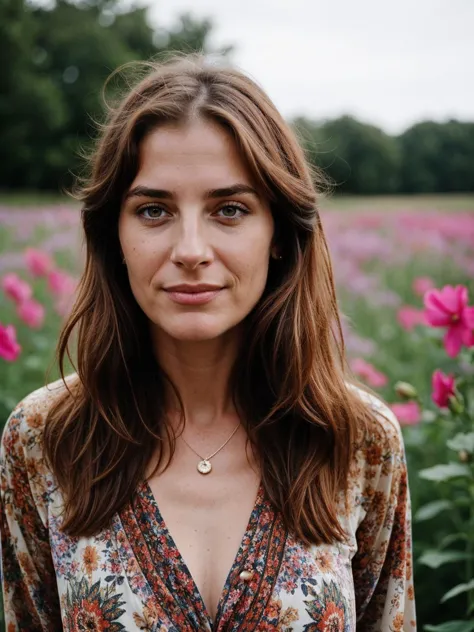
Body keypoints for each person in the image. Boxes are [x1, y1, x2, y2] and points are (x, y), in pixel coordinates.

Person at [0, 54, 416, 631]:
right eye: (153, 210)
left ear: (278, 233)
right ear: (112, 235)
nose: (190, 249)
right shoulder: (46, 438)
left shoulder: (356, 439)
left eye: (229, 209)